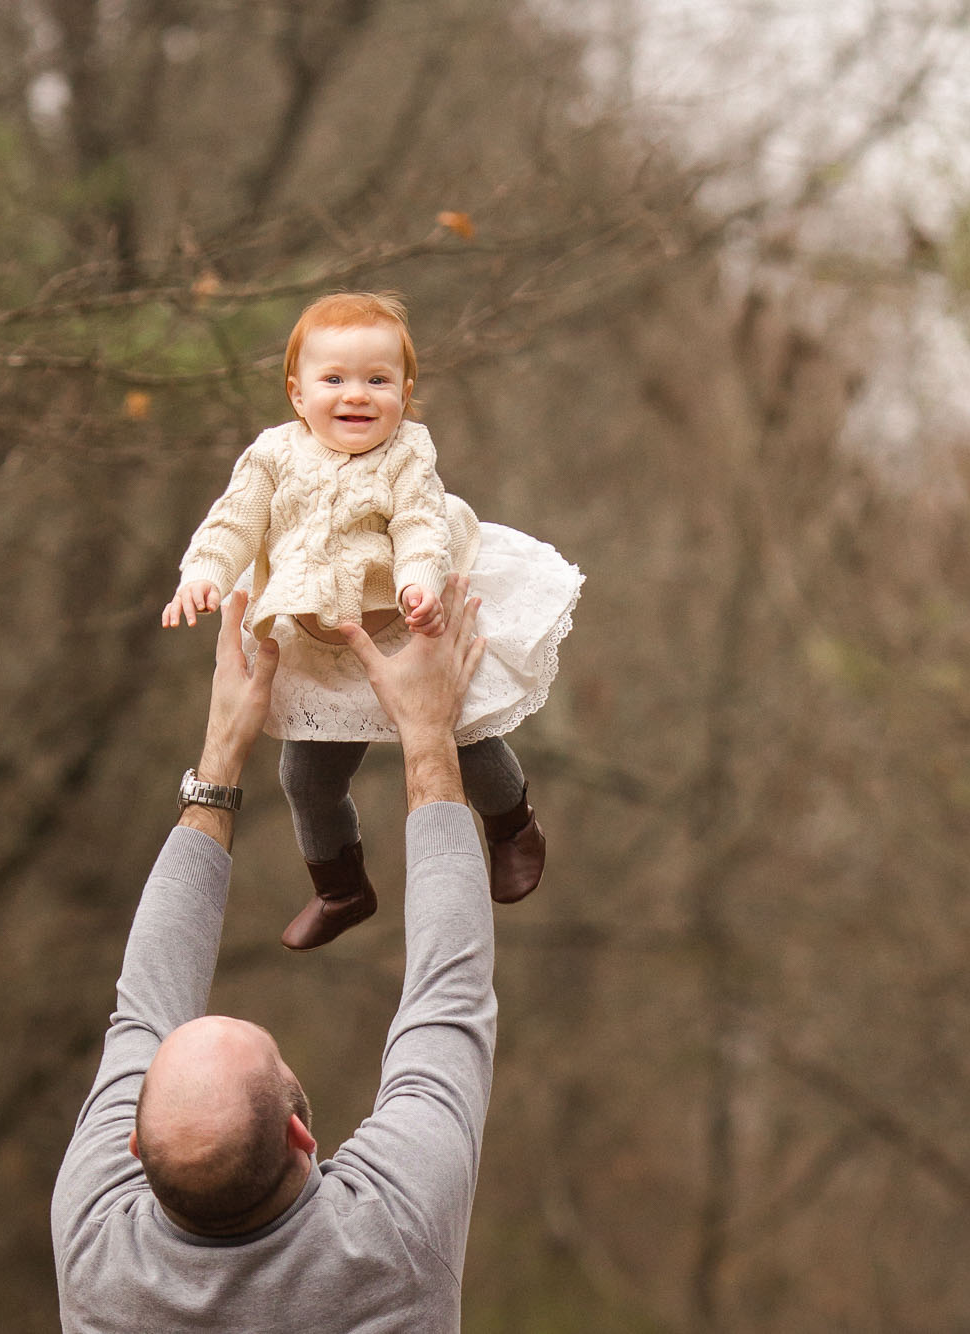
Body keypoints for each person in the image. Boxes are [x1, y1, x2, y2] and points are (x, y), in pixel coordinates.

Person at [53, 581, 499, 1333]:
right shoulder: (391, 1238)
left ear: (133, 1147)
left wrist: (220, 757)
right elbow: (446, 997)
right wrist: (427, 733)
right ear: (300, 1133)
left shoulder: (98, 1251)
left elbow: (146, 1003)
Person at [162, 290, 581, 949]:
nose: (356, 395)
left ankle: (512, 828)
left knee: (465, 738)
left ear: (405, 391)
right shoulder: (273, 455)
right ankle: (341, 886)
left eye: (377, 380)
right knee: (304, 778)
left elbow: (421, 527)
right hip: (318, 645)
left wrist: (418, 585)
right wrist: (204, 575)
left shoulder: (407, 453)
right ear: (298, 394)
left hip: (406, 633)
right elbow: (234, 523)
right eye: (335, 380)